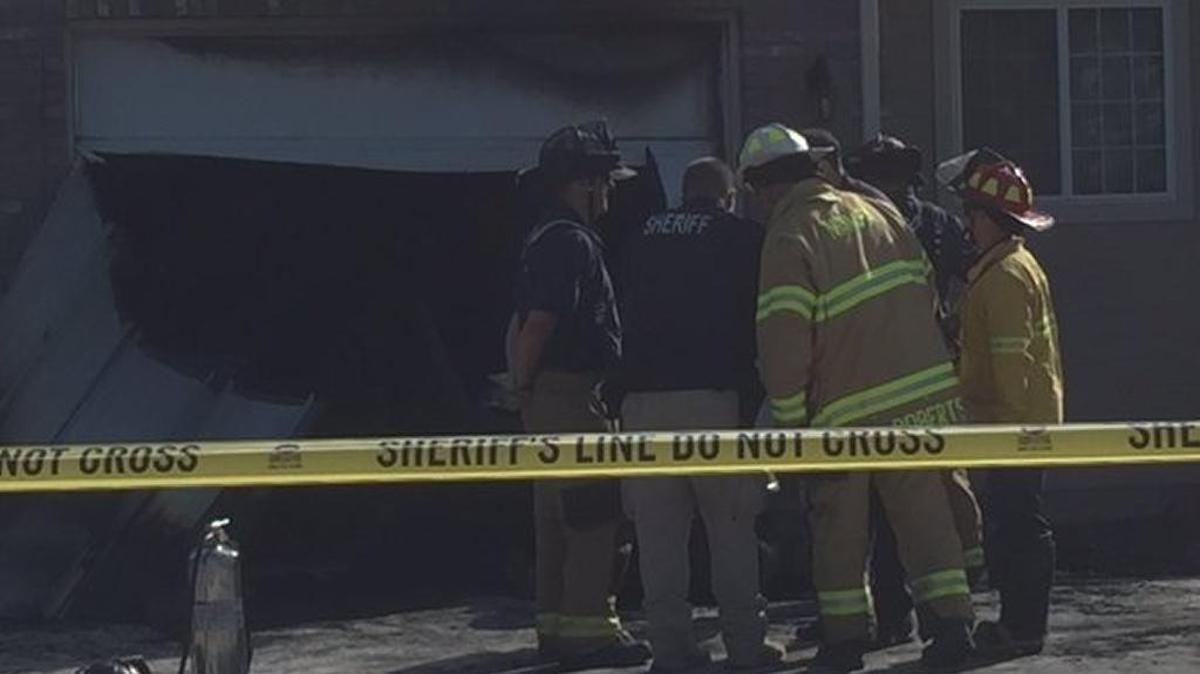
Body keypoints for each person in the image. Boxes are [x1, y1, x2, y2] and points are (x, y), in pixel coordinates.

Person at [741, 123, 975, 673]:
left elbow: (784, 339)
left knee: (838, 532)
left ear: (764, 186)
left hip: (843, 415)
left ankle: (846, 640)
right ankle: (952, 627)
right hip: (918, 405)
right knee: (926, 523)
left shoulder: (789, 234)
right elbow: (925, 291)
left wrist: (792, 427)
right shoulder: (879, 211)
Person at [613, 157, 784, 672]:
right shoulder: (742, 238)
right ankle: (746, 646)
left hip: (642, 407)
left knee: (658, 538)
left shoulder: (639, 236)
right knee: (731, 530)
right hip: (717, 404)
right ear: (727, 198)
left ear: (682, 195)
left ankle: (670, 648)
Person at [509, 120, 651, 670]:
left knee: (555, 518)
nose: (610, 192)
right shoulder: (570, 241)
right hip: (570, 397)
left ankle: (556, 626)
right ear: (585, 183)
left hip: (549, 398)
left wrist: (525, 388)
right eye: (606, 182)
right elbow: (541, 321)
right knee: (593, 516)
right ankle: (591, 632)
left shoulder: (544, 236)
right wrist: (524, 383)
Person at [842, 134, 987, 645]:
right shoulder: (927, 224)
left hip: (882, 387)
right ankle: (928, 616)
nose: (891, 187)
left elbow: (977, 279)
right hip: (925, 385)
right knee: (922, 506)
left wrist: (954, 325)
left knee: (900, 508)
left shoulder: (861, 227)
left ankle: (912, 615)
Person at [938, 148, 1063, 659]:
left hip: (1016, 428)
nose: (968, 226)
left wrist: (1006, 435)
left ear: (990, 219)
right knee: (1013, 524)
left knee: (1019, 528)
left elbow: (1011, 364)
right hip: (1015, 424)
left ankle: (1023, 628)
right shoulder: (1004, 269)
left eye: (972, 215)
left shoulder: (1006, 277)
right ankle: (1016, 622)